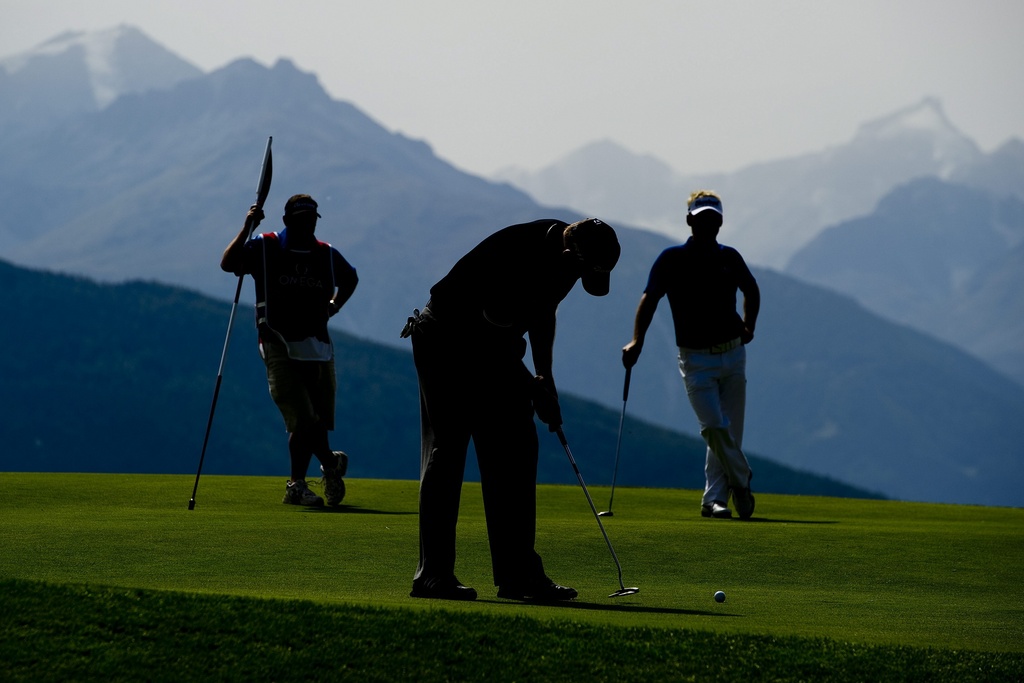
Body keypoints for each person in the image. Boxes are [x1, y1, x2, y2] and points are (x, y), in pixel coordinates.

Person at [400, 217, 621, 601]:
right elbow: (491, 337)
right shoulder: (518, 254)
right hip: (446, 340)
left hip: (491, 342)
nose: (580, 278)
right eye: (583, 271)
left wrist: (545, 377)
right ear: (571, 255)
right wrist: (531, 387)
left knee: (517, 448)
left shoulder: (569, 262)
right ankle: (432, 576)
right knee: (449, 448)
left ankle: (519, 575)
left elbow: (542, 312)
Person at [622, 191, 760, 519]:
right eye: (701, 219)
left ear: (721, 222)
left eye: (713, 219)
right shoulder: (672, 259)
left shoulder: (730, 257)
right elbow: (650, 298)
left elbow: (751, 290)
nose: (708, 224)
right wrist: (637, 340)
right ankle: (742, 479)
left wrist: (749, 326)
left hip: (733, 354)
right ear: (689, 221)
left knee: (728, 432)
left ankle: (714, 502)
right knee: (714, 426)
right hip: (696, 359)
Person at [221, 194, 358, 507]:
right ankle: (329, 463)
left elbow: (350, 278)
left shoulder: (325, 253)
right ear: (287, 221)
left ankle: (296, 485)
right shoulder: (265, 246)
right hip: (277, 341)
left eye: (311, 221)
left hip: (318, 345)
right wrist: (247, 227)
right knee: (302, 413)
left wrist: (334, 306)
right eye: (301, 221)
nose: (307, 226)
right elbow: (229, 264)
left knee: (311, 419)